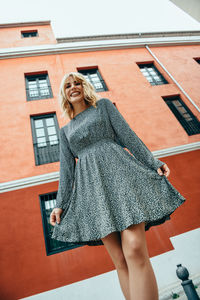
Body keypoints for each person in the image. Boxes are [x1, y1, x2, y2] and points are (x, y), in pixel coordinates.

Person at [50, 72, 186, 300]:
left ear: (85, 87)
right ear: (64, 94)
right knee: (120, 261)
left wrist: (153, 162)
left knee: (133, 249)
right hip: (92, 191)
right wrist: (60, 204)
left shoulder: (102, 107)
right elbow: (66, 171)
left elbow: (128, 136)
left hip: (122, 176)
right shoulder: (65, 131)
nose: (73, 87)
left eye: (78, 83)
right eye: (68, 86)